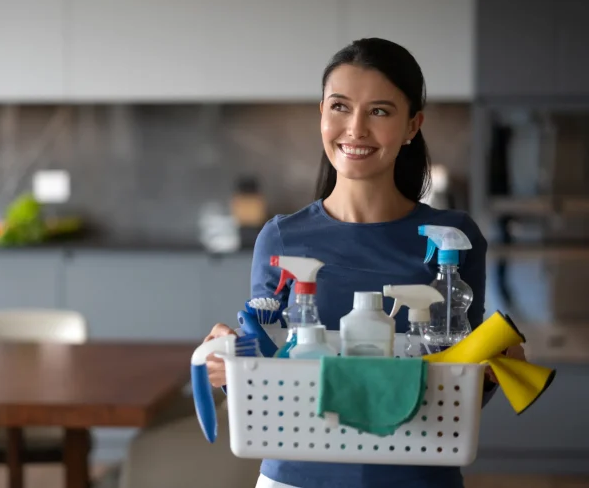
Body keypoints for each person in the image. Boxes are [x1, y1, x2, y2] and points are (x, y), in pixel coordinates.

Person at [203, 37, 526, 488]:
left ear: (413, 125)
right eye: (340, 106)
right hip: (297, 477)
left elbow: (461, 390)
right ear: (321, 114)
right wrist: (229, 366)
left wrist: (495, 369)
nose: (354, 129)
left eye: (379, 111)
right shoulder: (281, 237)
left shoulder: (454, 239)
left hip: (416, 475)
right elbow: (266, 376)